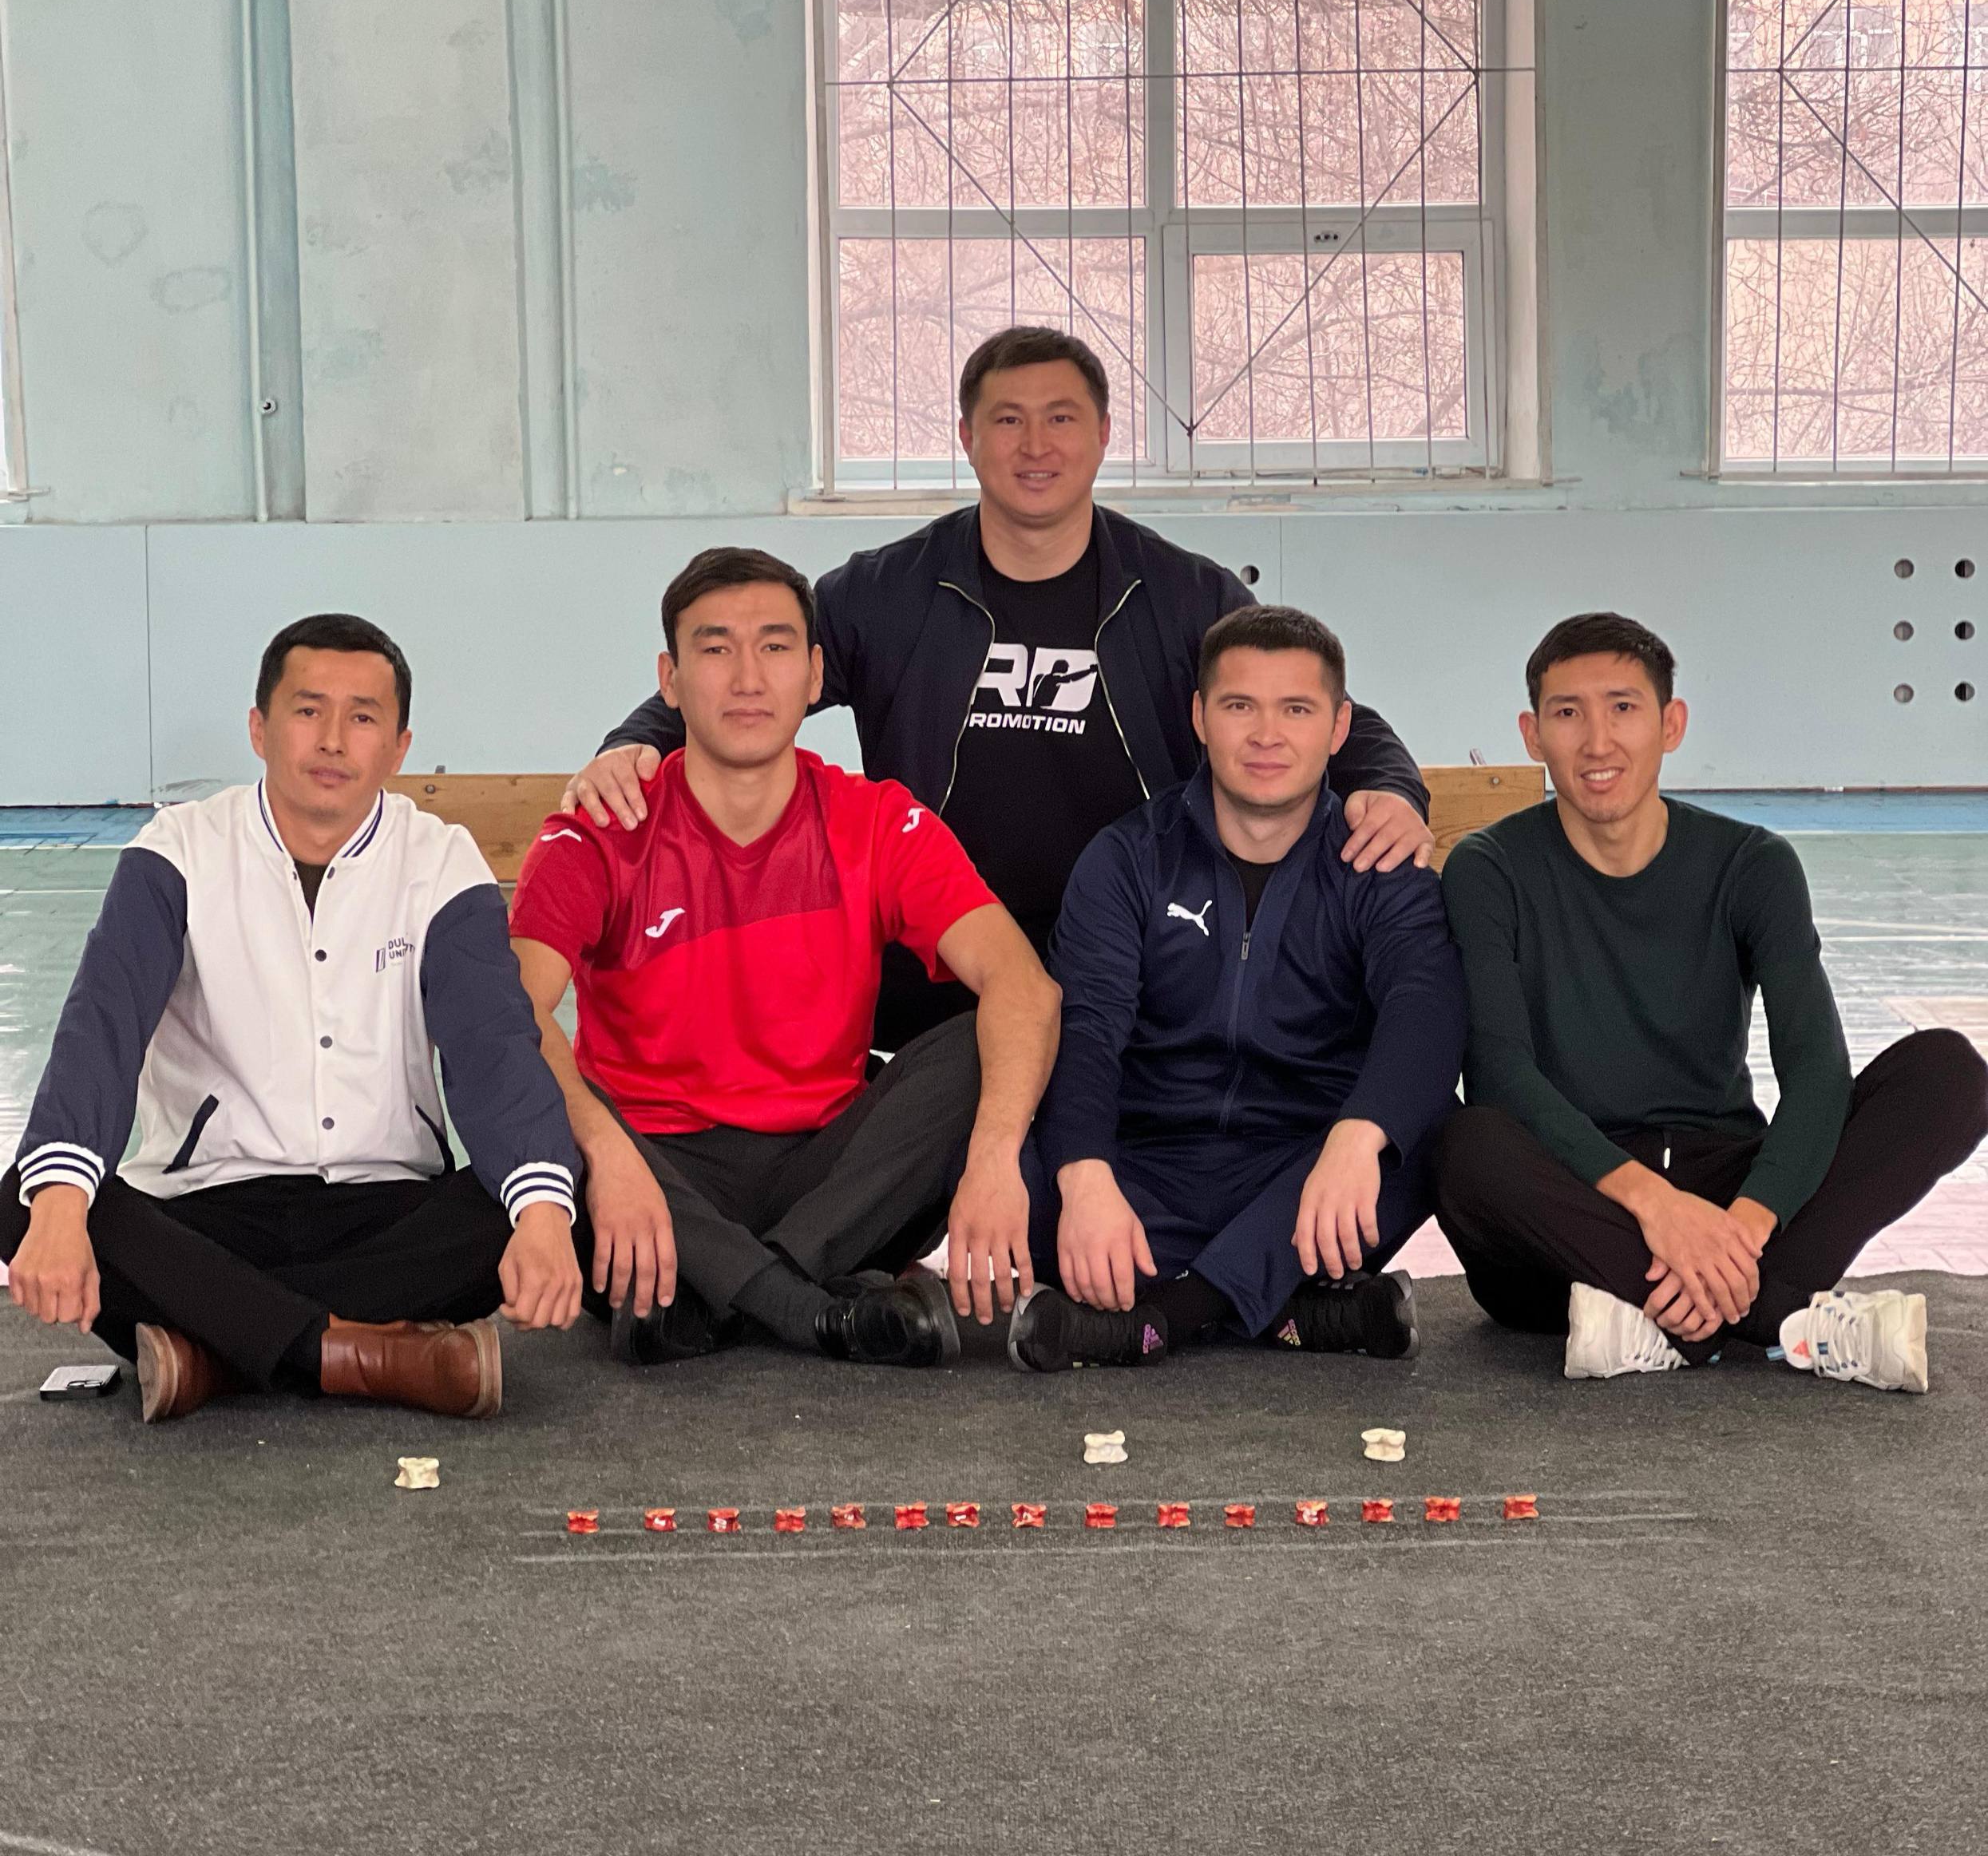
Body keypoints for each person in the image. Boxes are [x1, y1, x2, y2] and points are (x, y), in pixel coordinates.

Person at [561, 326, 1436, 1074]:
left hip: (1139, 951)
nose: (1035, 446)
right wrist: (633, 742)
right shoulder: (885, 592)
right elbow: (752, 667)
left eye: (1062, 418)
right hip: (933, 958)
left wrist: (1391, 789)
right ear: (967, 438)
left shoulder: (1183, 597)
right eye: (1008, 420)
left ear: (1102, 436)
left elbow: (1320, 709)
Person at [2, 615, 584, 1423]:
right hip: (208, 1206)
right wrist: (63, 1203)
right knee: (30, 1196)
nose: (333, 740)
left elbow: (493, 1049)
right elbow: (102, 1025)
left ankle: (219, 1348)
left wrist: (545, 1216)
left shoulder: (439, 861)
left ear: (400, 748)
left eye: (363, 717)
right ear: (259, 728)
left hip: (388, 1210)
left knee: (544, 1193)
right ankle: (368, 1353)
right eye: (309, 710)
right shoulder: (178, 851)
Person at [509, 547, 1061, 1367]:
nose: (746, 677)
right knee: (538, 1092)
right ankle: (806, 1309)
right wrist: (607, 1155)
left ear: (813, 675)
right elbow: (512, 1016)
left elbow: (1024, 985)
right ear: (669, 680)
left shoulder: (876, 820)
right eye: (715, 648)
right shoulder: (600, 829)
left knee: (987, 1043)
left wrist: (992, 1160)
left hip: (826, 1171)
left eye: (774, 646)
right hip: (654, 1168)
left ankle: (714, 1293)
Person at [1436, 611, 1988, 1392]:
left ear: (1671, 724)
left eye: (1623, 708)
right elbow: (1498, 1071)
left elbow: (1817, 1072)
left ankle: (1669, 1319)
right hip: (1569, 1209)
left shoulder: (1750, 864)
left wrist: (1746, 1223)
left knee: (1950, 1073)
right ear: (1533, 735)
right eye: (1568, 713)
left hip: (1725, 1185)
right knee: (1463, 1142)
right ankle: (1781, 1319)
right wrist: (1656, 1208)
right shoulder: (1489, 868)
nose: (1597, 741)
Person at [1007, 605, 1466, 1371]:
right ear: (1200, 717)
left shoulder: (1379, 866)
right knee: (1011, 1160)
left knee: (1430, 1130)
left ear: (1339, 727)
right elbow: (1086, 1029)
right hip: (1145, 1167)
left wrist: (1358, 1137)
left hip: (1306, 1175)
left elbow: (1426, 1006)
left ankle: (1164, 1319)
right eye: (1240, 706)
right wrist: (1085, 1177)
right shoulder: (1127, 859)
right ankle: (1290, 1309)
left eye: (1297, 709)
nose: (1266, 735)